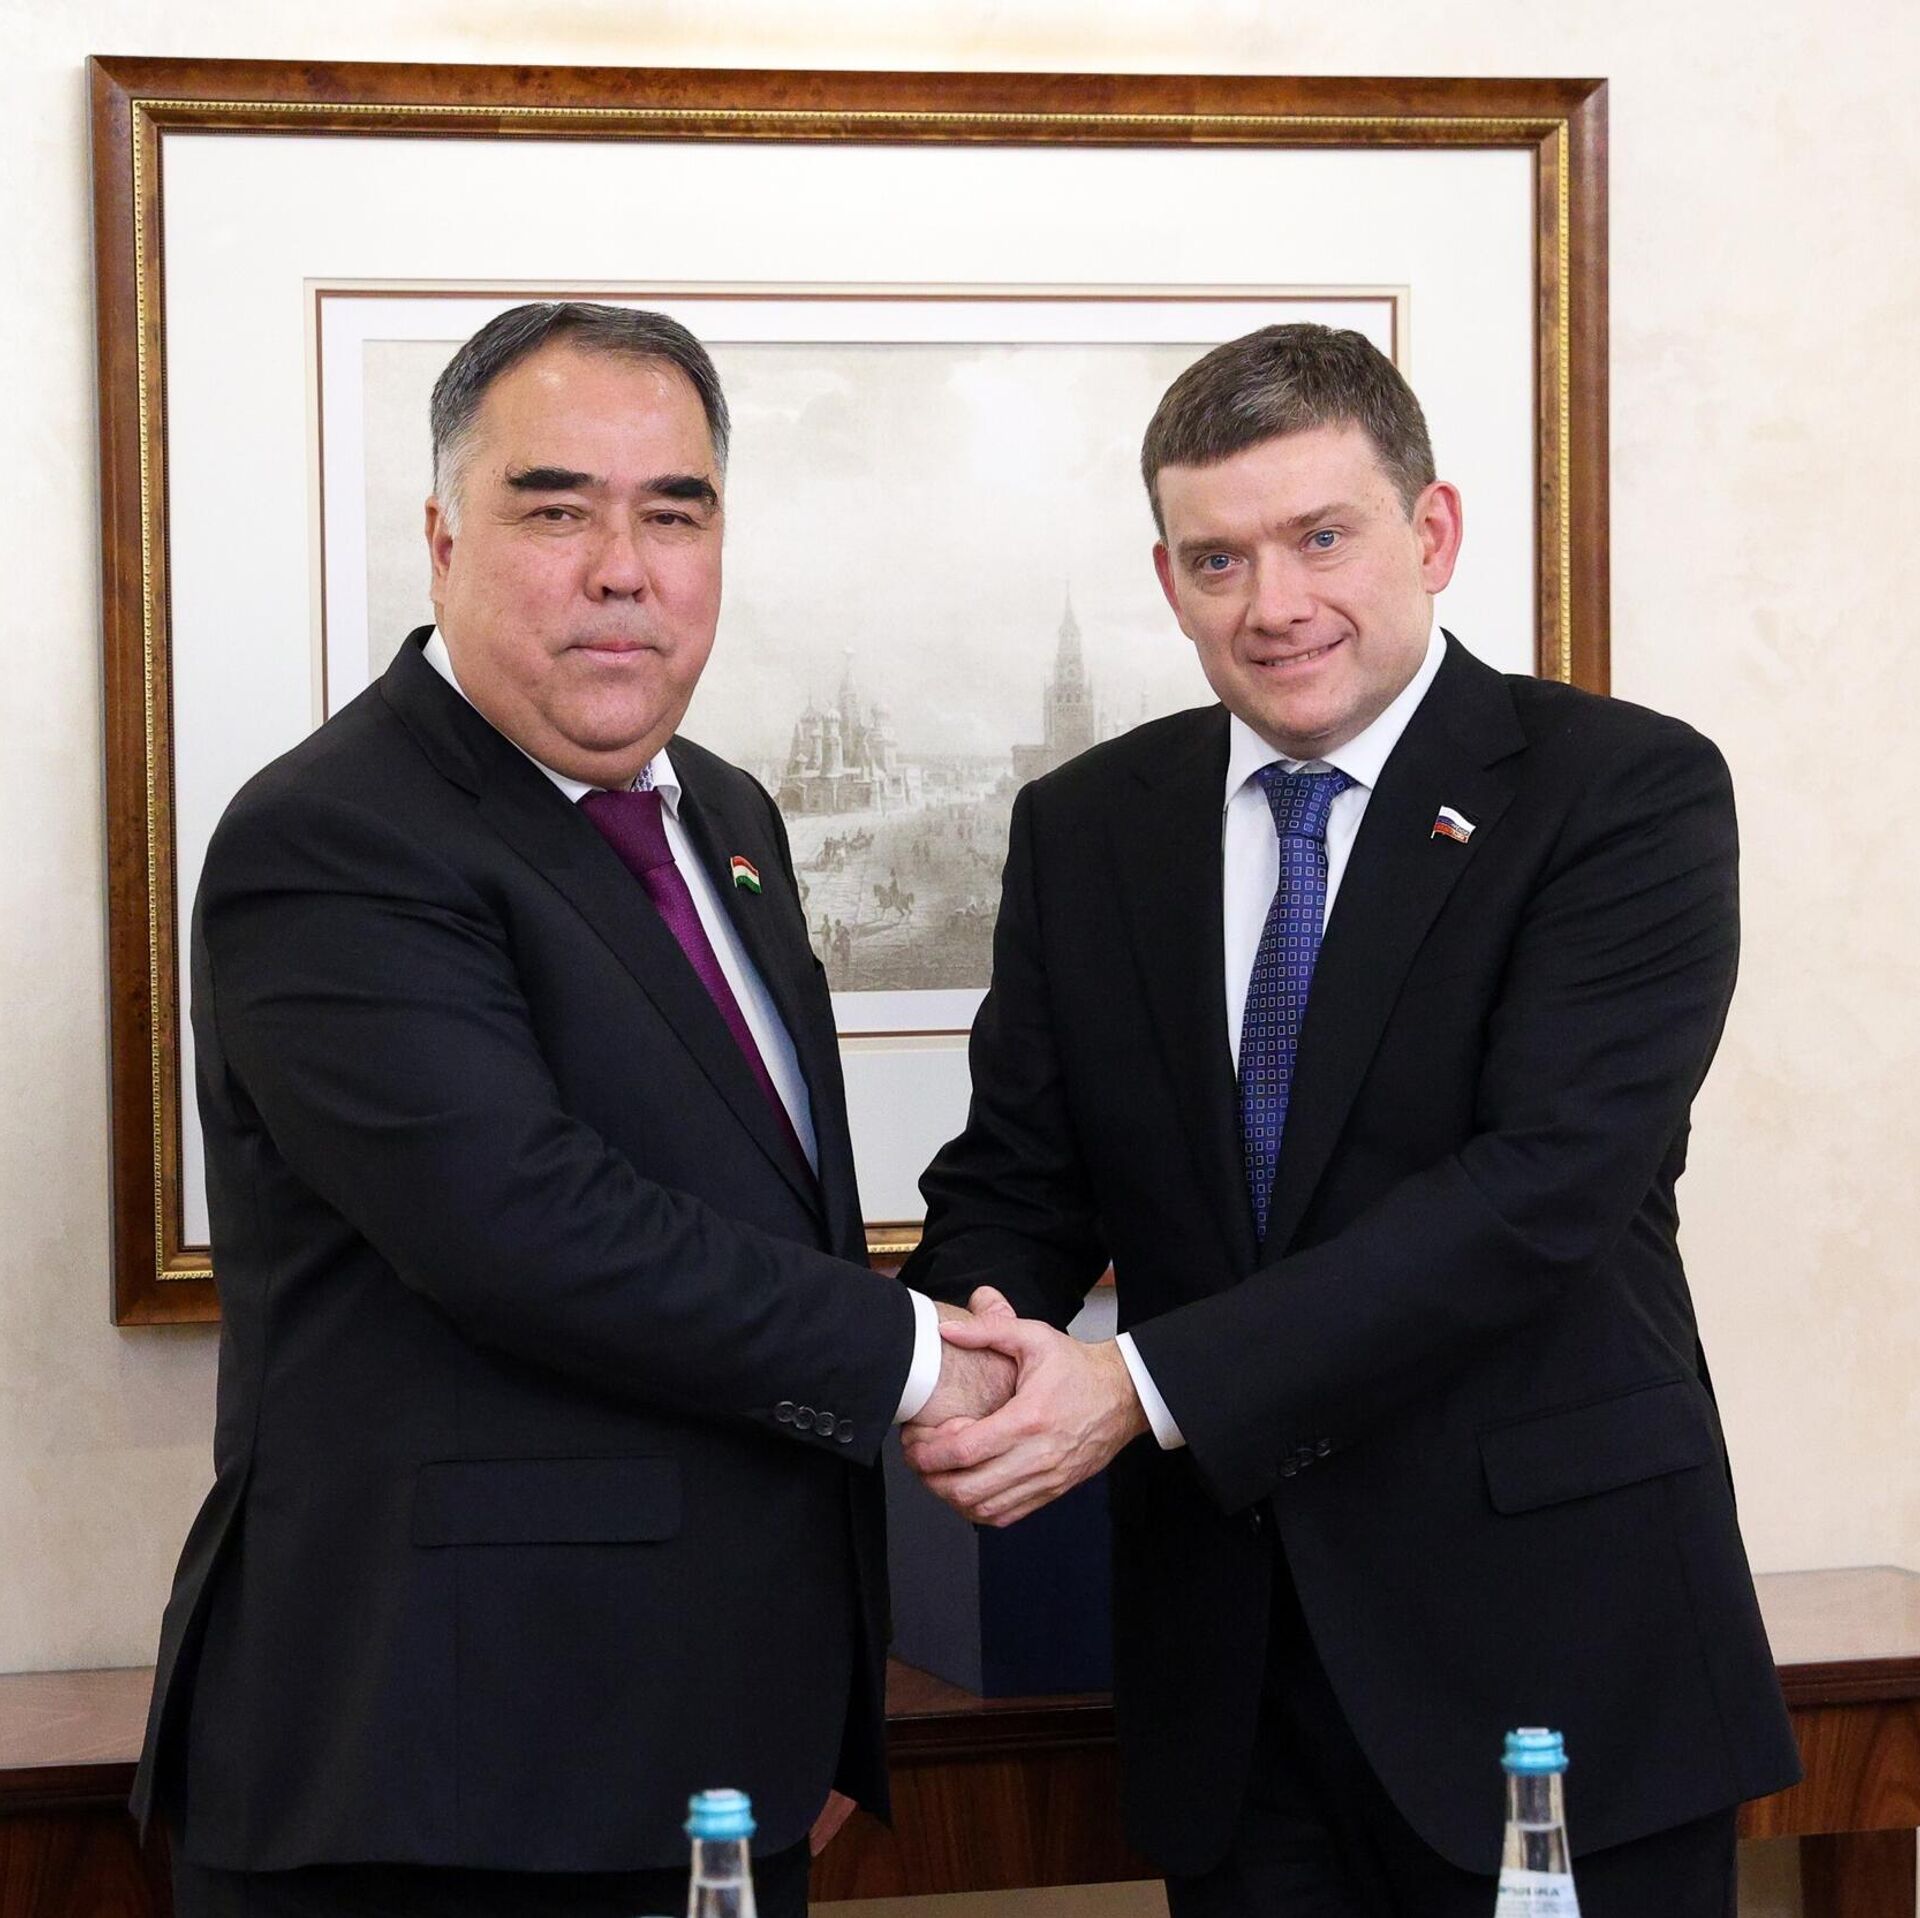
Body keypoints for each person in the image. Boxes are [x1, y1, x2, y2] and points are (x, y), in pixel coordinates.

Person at [901, 324, 1799, 1916]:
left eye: (1321, 537)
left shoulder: (1621, 793)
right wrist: (958, 1361)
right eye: (1219, 558)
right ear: (1170, 579)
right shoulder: (1089, 827)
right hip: (1234, 1686)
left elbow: (1536, 1195)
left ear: (1431, 531)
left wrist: (1136, 1387)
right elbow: (1020, 1179)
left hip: (1553, 1655)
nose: (1275, 603)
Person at [132, 302, 1009, 1918]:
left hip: (704, 1752)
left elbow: (763, 1204)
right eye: (556, 511)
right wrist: (920, 1356)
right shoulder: (333, 836)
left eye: (673, 512)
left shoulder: (724, 813)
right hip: (440, 1781)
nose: (624, 568)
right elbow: (528, 1228)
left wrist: (811, 1687)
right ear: (442, 539)